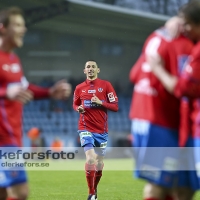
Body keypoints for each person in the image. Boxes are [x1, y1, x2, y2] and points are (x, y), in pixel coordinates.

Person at [0, 7, 71, 200]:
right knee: (20, 192)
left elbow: (23, 87)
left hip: (10, 136)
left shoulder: (13, 59)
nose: (23, 29)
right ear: (2, 28)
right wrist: (6, 92)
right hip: (4, 140)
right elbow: (10, 91)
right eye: (17, 25)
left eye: (23, 25)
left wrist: (49, 92)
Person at [129, 13, 198, 200]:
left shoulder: (156, 35)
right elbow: (182, 87)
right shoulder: (185, 44)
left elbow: (134, 75)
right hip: (161, 119)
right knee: (160, 183)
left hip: (144, 113)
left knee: (173, 182)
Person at [147, 0, 200, 193]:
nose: (183, 28)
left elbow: (183, 88)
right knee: (183, 185)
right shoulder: (193, 45)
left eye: (186, 24)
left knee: (161, 183)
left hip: (195, 128)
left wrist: (158, 70)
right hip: (188, 128)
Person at [73, 60, 118, 200]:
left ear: (98, 70)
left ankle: (94, 189)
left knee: (99, 163)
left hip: (102, 131)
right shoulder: (79, 88)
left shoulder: (106, 85)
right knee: (91, 158)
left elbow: (115, 106)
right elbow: (75, 104)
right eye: (88, 67)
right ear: (84, 71)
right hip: (85, 128)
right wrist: (78, 108)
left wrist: (101, 103)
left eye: (93, 67)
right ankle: (91, 193)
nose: (90, 69)